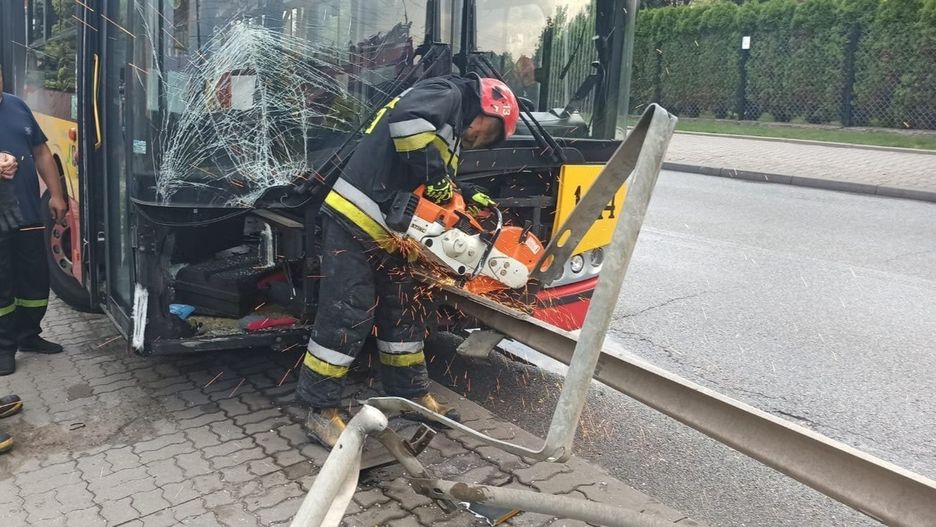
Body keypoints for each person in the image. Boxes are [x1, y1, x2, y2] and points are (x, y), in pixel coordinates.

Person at [298, 74, 520, 447]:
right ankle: (319, 411)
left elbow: (430, 177)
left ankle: (411, 395)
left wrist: (465, 194)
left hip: (393, 235)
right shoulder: (447, 93)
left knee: (405, 314)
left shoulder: (449, 128)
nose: (477, 140)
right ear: (489, 107)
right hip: (356, 220)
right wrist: (436, 179)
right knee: (347, 314)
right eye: (485, 133)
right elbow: (408, 127)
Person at [0, 69, 68, 376]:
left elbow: (40, 151)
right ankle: (3, 347)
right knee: (3, 286)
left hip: (27, 214)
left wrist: (56, 195)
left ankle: (29, 335)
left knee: (35, 282)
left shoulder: (17, 106)